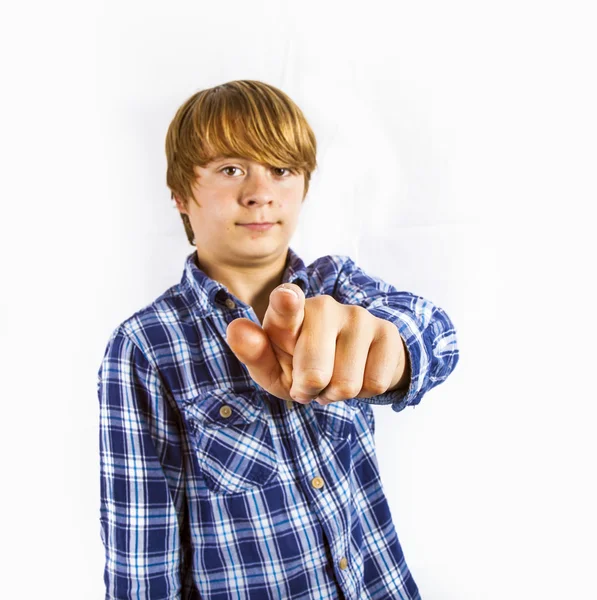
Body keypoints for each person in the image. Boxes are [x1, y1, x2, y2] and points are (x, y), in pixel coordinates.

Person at [97, 79, 460, 599]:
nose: (260, 191)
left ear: (305, 186)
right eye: (230, 168)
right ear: (180, 194)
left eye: (282, 169)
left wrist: (393, 350)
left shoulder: (339, 286)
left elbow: (437, 334)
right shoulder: (145, 347)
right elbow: (142, 555)